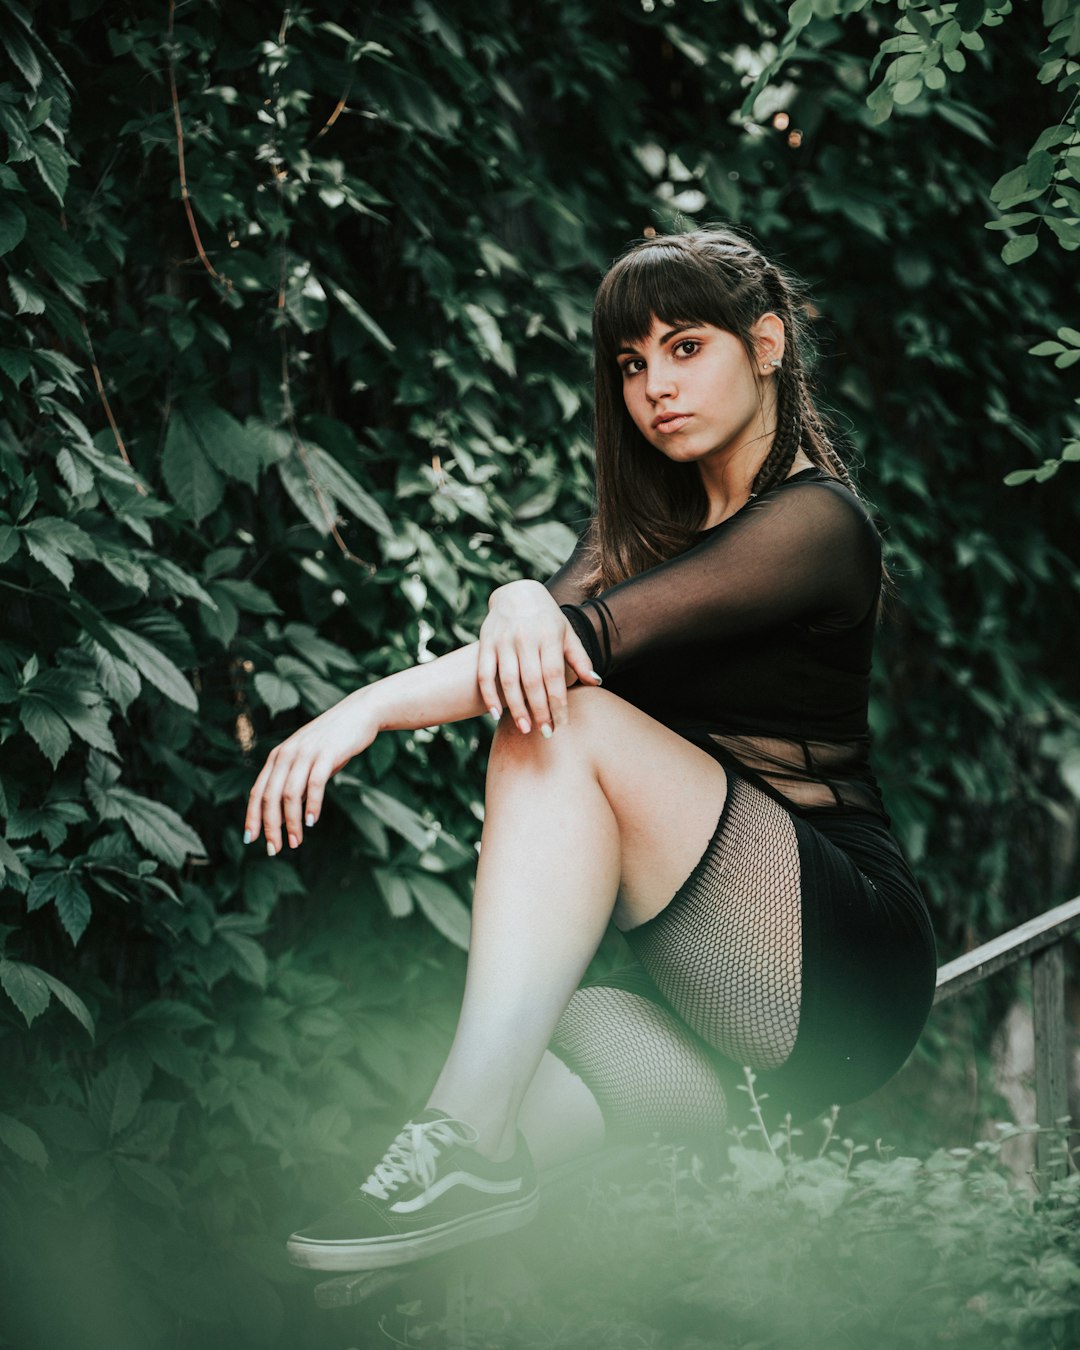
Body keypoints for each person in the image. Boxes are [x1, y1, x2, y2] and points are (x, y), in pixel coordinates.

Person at [244, 228, 937, 1273]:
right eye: (630, 363)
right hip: (703, 1019)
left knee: (561, 719)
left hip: (837, 966)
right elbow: (533, 636)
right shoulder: (636, 529)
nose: (655, 384)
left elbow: (570, 656)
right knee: (427, 1188)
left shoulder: (819, 524)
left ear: (767, 344)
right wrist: (521, 594)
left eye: (685, 347)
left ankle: (462, 1143)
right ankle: (454, 1172)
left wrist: (360, 711)